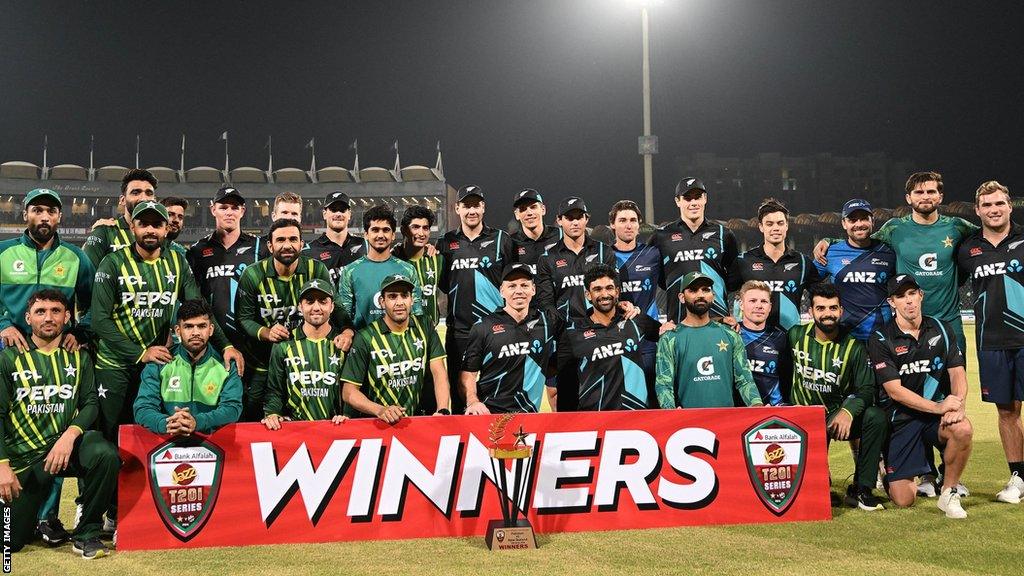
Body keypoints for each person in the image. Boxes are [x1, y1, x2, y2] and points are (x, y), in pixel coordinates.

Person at [90, 201, 241, 529]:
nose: (150, 231)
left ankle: (134, 509)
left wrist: (225, 345)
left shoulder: (176, 260)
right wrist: (139, 352)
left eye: (156, 225)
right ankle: (98, 510)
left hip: (157, 361)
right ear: (133, 227)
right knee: (111, 440)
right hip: (115, 365)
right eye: (143, 224)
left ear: (165, 229)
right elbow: (100, 320)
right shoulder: (112, 262)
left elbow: (195, 309)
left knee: (149, 436)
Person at [0, 188, 95, 542]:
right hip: (12, 351)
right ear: (26, 214)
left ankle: (47, 517)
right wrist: (3, 325)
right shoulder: (4, 253)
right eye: (37, 210)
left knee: (53, 425)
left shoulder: (76, 258)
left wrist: (80, 333)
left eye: (51, 212)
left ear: (59, 218)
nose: (44, 217)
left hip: (57, 352)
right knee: (10, 425)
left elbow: (90, 304)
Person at [0, 289, 119, 558]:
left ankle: (86, 533)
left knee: (103, 452)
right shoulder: (8, 359)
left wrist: (69, 437)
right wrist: (2, 466)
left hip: (62, 451)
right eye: (40, 312)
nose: (48, 317)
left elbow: (90, 403)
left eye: (56, 311)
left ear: (67, 317)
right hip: (24, 460)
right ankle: (28, 518)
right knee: (9, 542)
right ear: (28, 317)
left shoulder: (79, 357)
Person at [867, 274, 973, 518]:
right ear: (892, 303)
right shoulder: (881, 338)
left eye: (912, 294)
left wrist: (957, 405)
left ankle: (949, 492)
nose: (909, 301)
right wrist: (938, 408)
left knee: (963, 428)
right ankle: (886, 465)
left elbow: (957, 372)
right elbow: (895, 391)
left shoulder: (942, 329)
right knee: (904, 500)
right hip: (901, 419)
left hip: (934, 418)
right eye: (901, 296)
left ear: (921, 295)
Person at [788, 282, 886, 510]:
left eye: (833, 308)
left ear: (841, 311)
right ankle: (819, 478)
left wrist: (847, 411)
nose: (827, 314)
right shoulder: (794, 336)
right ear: (811, 311)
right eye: (820, 308)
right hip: (804, 419)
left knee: (876, 417)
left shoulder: (854, 347)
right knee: (817, 489)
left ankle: (862, 488)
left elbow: (867, 389)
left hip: (835, 415)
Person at [955, 181, 1024, 503]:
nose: (994, 209)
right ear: (978, 210)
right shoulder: (968, 249)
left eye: (999, 203)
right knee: (1007, 411)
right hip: (991, 341)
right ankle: (1018, 477)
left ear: (1010, 206)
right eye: (987, 205)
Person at [235, 218, 343, 421]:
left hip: (305, 361)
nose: (287, 245)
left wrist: (347, 330)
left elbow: (334, 305)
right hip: (262, 361)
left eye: (293, 239)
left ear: (302, 243)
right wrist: (266, 333)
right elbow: (243, 319)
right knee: (256, 417)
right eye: (280, 239)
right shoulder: (253, 274)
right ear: (270, 245)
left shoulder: (316, 269)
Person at [437, 185, 515, 413]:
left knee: (499, 390)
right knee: (461, 396)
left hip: (497, 328)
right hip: (460, 332)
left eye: (476, 205)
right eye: (466, 205)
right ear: (457, 208)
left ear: (483, 207)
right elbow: (443, 283)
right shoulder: (445, 243)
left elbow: (512, 282)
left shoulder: (502, 240)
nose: (472, 210)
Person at [535, 197, 617, 411]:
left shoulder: (603, 252)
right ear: (559, 221)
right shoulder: (548, 258)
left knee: (604, 392)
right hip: (567, 339)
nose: (574, 222)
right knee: (567, 400)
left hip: (600, 335)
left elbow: (613, 293)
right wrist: (565, 331)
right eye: (569, 218)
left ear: (586, 219)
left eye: (579, 217)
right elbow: (546, 302)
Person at [340, 275, 450, 421]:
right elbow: (348, 392)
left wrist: (442, 409)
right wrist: (380, 410)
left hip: (416, 421)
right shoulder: (366, 337)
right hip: (377, 425)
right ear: (382, 302)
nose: (399, 302)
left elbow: (439, 372)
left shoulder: (425, 326)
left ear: (412, 299)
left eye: (404, 296)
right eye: (392, 297)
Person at [557, 264, 661, 410]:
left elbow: (666, 335)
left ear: (617, 292)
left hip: (637, 419)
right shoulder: (573, 335)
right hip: (595, 422)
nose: (604, 294)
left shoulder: (635, 320)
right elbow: (565, 389)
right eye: (597, 289)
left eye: (609, 288)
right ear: (588, 295)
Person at [134, 299, 243, 436]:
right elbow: (142, 409)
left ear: (211, 329)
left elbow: (232, 409)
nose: (195, 332)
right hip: (167, 441)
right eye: (188, 326)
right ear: (178, 331)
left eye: (202, 326)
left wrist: (197, 422)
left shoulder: (226, 364)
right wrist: (167, 423)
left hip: (213, 442)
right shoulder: (159, 362)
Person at [655, 272, 762, 409]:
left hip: (728, 422)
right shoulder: (670, 338)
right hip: (689, 424)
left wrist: (757, 406)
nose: (700, 295)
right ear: (682, 297)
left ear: (713, 296)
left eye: (706, 290)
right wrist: (671, 413)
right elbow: (663, 384)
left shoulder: (731, 335)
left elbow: (745, 380)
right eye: (693, 290)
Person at [187, 187, 265, 375]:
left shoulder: (260, 247)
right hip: (213, 341)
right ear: (213, 210)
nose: (229, 212)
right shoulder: (198, 250)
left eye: (234, 207)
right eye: (223, 207)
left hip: (253, 340)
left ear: (242, 211)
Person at [461, 264, 558, 414]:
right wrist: (473, 402)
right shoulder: (483, 326)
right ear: (501, 291)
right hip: (488, 415)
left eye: (524, 285)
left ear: (533, 289)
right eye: (512, 286)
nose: (518, 291)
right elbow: (468, 373)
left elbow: (552, 370)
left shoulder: (547, 324)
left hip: (529, 418)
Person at [647, 177, 738, 323]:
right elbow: (657, 280)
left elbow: (734, 280)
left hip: (718, 321)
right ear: (678, 201)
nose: (693, 203)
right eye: (687, 198)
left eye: (697, 197)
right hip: (678, 322)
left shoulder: (724, 234)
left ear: (705, 198)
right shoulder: (661, 236)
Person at [262, 280, 348, 428]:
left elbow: (353, 390)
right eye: (309, 302)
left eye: (323, 301)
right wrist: (272, 413)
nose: (316, 307)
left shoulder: (343, 344)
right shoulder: (283, 345)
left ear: (332, 306)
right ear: (300, 307)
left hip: (337, 429)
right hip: (295, 432)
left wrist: (348, 416)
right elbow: (274, 390)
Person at [728, 198, 820, 331]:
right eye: (769, 224)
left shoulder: (803, 262)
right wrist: (724, 316)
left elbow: (822, 297)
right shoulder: (744, 260)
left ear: (787, 225)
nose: (775, 228)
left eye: (780, 223)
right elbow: (721, 290)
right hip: (754, 341)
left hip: (790, 340)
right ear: (761, 227)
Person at [814, 199, 896, 342]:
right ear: (844, 223)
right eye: (852, 220)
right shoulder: (830, 253)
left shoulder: (888, 251)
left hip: (882, 337)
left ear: (873, 221)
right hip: (844, 337)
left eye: (864, 218)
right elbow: (808, 282)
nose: (859, 224)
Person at [337, 204, 422, 331]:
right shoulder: (350, 271)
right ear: (366, 234)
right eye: (375, 230)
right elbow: (345, 317)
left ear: (393, 235)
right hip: (365, 344)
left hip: (400, 344)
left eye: (386, 230)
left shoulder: (408, 270)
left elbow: (416, 313)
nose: (381, 235)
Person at [82, 168, 158, 267]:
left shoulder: (161, 235)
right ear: (122, 200)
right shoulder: (105, 232)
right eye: (135, 193)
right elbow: (86, 273)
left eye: (149, 193)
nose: (143, 198)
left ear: (155, 200)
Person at [737, 280, 790, 406]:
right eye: (752, 301)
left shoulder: (780, 337)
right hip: (737, 411)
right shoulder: (730, 335)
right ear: (741, 304)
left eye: (764, 301)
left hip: (772, 410)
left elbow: (786, 376)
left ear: (770, 307)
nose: (759, 306)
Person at [393, 205, 442, 328]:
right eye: (415, 227)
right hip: (399, 333)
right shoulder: (392, 260)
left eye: (425, 228)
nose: (421, 233)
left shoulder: (438, 259)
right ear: (404, 230)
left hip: (430, 333)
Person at [304, 191, 366, 286]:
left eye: (342, 210)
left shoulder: (364, 245)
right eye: (333, 210)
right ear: (324, 214)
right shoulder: (310, 251)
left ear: (349, 214)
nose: (338, 214)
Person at [510, 188, 561, 273]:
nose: (529, 213)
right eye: (523, 209)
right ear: (517, 215)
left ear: (543, 209)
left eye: (533, 207)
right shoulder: (510, 243)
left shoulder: (561, 235)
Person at [258, 191, 305, 258]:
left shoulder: (309, 251)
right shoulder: (256, 248)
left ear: (300, 218)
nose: (289, 217)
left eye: (294, 214)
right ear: (273, 216)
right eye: (284, 213)